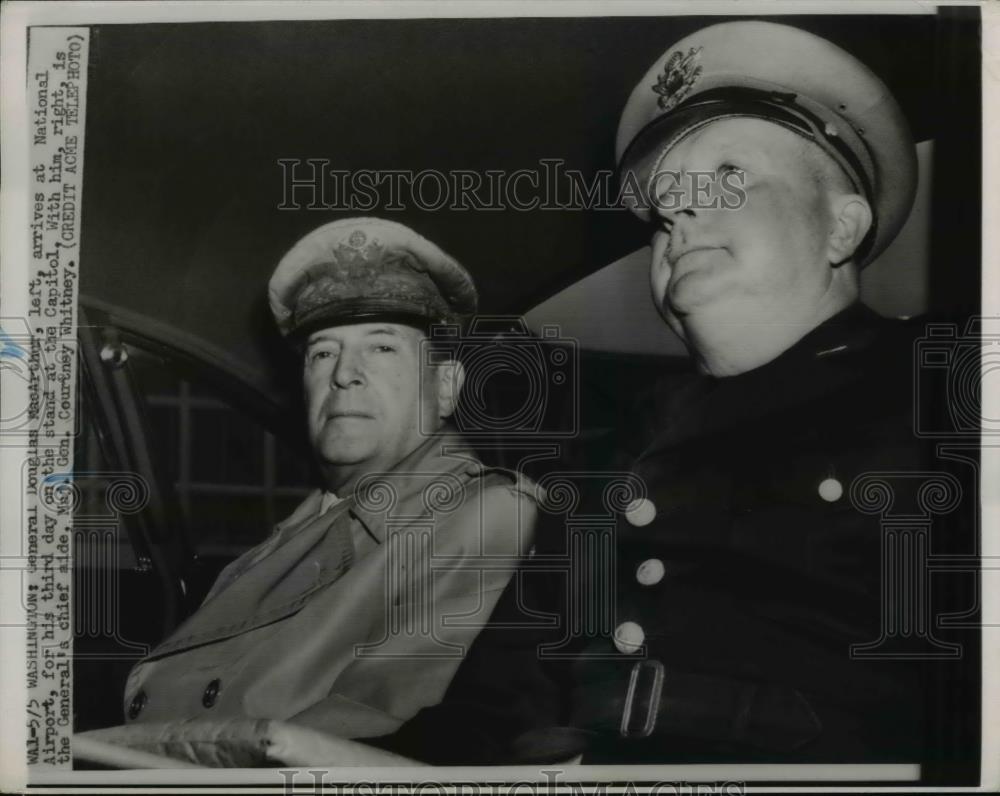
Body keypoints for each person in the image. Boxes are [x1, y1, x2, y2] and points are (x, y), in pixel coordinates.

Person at [368, 20, 963, 765]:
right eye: (660, 207)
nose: (674, 212)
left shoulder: (945, 389)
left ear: (841, 228)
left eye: (725, 176)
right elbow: (487, 717)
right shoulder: (600, 458)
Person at [116, 217, 538, 743]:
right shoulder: (299, 529)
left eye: (381, 347)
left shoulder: (489, 516)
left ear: (447, 386)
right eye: (323, 352)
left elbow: (368, 740)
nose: (343, 373)